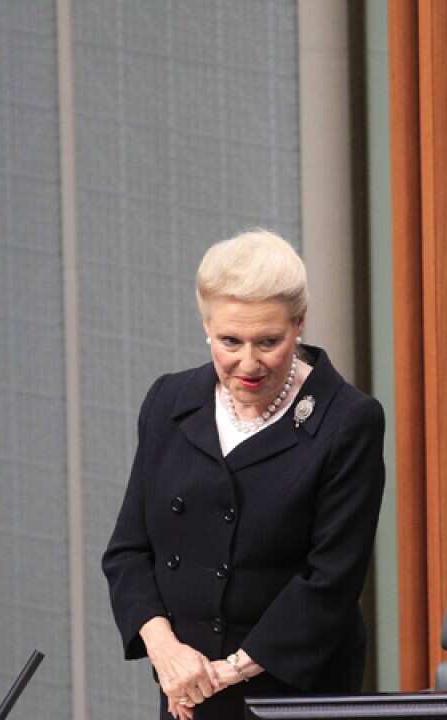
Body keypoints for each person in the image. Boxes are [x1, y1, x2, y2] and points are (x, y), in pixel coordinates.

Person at [103, 230, 386, 720]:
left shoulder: (348, 421)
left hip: (290, 690)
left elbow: (330, 583)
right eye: (230, 341)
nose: (248, 364)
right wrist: (167, 653)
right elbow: (129, 551)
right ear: (206, 326)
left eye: (269, 342)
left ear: (299, 325)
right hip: (184, 687)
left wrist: (220, 674)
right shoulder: (169, 401)